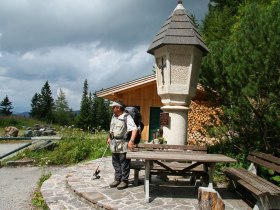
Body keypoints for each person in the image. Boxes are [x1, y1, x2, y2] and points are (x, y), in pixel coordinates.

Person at [107, 100, 138, 190]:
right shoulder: (114, 116)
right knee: (115, 162)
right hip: (114, 144)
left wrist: (131, 141)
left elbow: (134, 129)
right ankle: (117, 179)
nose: (112, 108)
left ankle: (124, 181)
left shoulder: (126, 117)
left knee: (124, 163)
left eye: (114, 107)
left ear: (118, 107)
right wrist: (109, 138)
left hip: (123, 143)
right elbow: (111, 129)